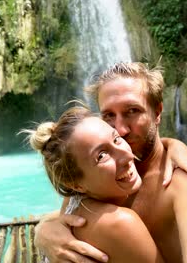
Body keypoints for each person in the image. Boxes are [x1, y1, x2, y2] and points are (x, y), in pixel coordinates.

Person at [35, 62, 187, 262]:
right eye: (108, 115)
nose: (121, 130)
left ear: (158, 112)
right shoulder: (93, 177)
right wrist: (43, 230)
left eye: (132, 111)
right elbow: (71, 213)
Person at [26, 106, 165, 262]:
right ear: (75, 184)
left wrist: (175, 146)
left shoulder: (72, 201)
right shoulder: (120, 223)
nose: (127, 155)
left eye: (116, 138)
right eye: (102, 155)